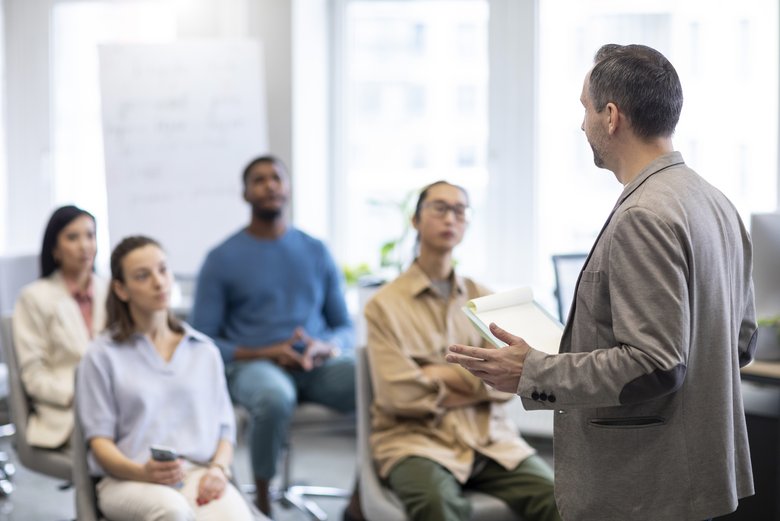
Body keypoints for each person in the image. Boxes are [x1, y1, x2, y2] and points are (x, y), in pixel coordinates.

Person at [447, 44, 756, 521]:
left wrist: (532, 371)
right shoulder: (714, 202)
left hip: (645, 489)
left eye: (585, 108)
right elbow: (741, 342)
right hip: (695, 477)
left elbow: (655, 364)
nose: (582, 124)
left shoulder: (644, 215)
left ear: (611, 116)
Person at [364, 180, 561, 521]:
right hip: (416, 443)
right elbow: (399, 395)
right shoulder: (383, 305)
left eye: (460, 211)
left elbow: (509, 381)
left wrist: (433, 374)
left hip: (490, 440)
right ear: (415, 220)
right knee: (438, 507)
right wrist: (478, 380)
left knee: (561, 499)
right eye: (440, 208)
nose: (450, 218)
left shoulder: (483, 297)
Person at [190, 155, 361, 519]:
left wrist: (325, 346)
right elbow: (202, 341)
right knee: (274, 396)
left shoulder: (316, 250)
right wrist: (267, 352)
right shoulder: (221, 259)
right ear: (245, 193)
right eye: (259, 180)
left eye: (277, 178)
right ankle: (263, 505)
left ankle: (362, 496)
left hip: (314, 365)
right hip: (254, 366)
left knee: (373, 381)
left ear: (288, 188)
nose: (270, 185)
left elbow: (345, 327)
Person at [76, 236, 260, 521]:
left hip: (196, 473)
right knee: (174, 512)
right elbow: (100, 443)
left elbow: (225, 430)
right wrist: (142, 472)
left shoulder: (204, 351)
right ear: (121, 289)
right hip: (128, 479)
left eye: (163, 270)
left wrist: (218, 470)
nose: (159, 282)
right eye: (143, 276)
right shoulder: (101, 355)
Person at [13, 205, 108, 449]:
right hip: (66, 412)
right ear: (54, 249)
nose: (84, 245)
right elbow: (34, 375)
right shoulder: (34, 298)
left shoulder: (111, 292)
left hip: (113, 405)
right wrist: (78, 396)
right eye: (72, 237)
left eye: (90, 235)